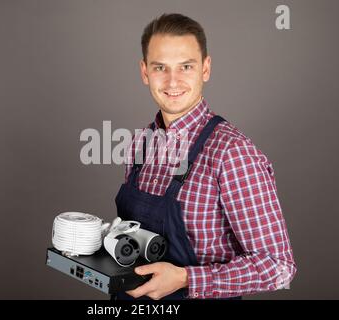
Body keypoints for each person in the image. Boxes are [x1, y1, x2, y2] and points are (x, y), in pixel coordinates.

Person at [114, 13, 296, 300]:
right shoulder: (141, 142)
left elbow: (278, 267)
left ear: (205, 69)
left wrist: (187, 278)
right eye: (160, 67)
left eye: (186, 66)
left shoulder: (231, 153)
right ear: (144, 72)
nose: (173, 81)